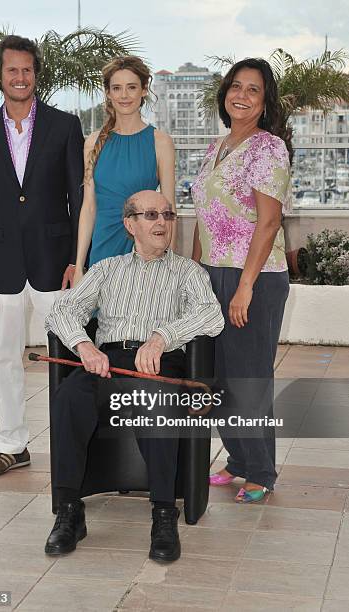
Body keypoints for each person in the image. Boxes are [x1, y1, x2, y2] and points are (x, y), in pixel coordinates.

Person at [45, 190, 224, 561]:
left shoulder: (188, 272)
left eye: (168, 215)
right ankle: (69, 511)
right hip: (106, 361)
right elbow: (61, 312)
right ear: (130, 224)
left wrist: (162, 337)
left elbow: (212, 316)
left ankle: (163, 513)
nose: (162, 223)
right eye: (151, 215)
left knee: (154, 401)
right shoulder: (107, 269)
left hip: (158, 364)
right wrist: (84, 347)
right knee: (69, 397)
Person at [0, 35, 84, 477]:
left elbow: (78, 196)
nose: (20, 77)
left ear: (36, 75)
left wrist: (76, 258)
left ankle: (74, 447)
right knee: (5, 359)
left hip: (56, 264)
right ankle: (11, 445)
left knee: (70, 357)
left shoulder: (65, 125)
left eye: (27, 70)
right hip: (1, 266)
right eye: (12, 70)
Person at [191, 58, 291, 503]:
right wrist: (192, 275)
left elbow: (268, 223)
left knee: (249, 376)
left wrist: (246, 286)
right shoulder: (218, 146)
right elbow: (204, 218)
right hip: (213, 273)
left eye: (254, 89)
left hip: (255, 276)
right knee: (219, 375)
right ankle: (237, 459)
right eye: (236, 86)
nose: (242, 95)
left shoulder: (269, 147)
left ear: (264, 101)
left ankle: (261, 472)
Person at [72, 56, 175, 284]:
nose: (124, 95)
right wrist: (79, 266)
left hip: (146, 252)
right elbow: (89, 208)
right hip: (102, 250)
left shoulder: (161, 142)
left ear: (144, 90)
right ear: (108, 93)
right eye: (116, 88)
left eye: (131, 87)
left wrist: (170, 266)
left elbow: (169, 210)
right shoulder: (93, 143)